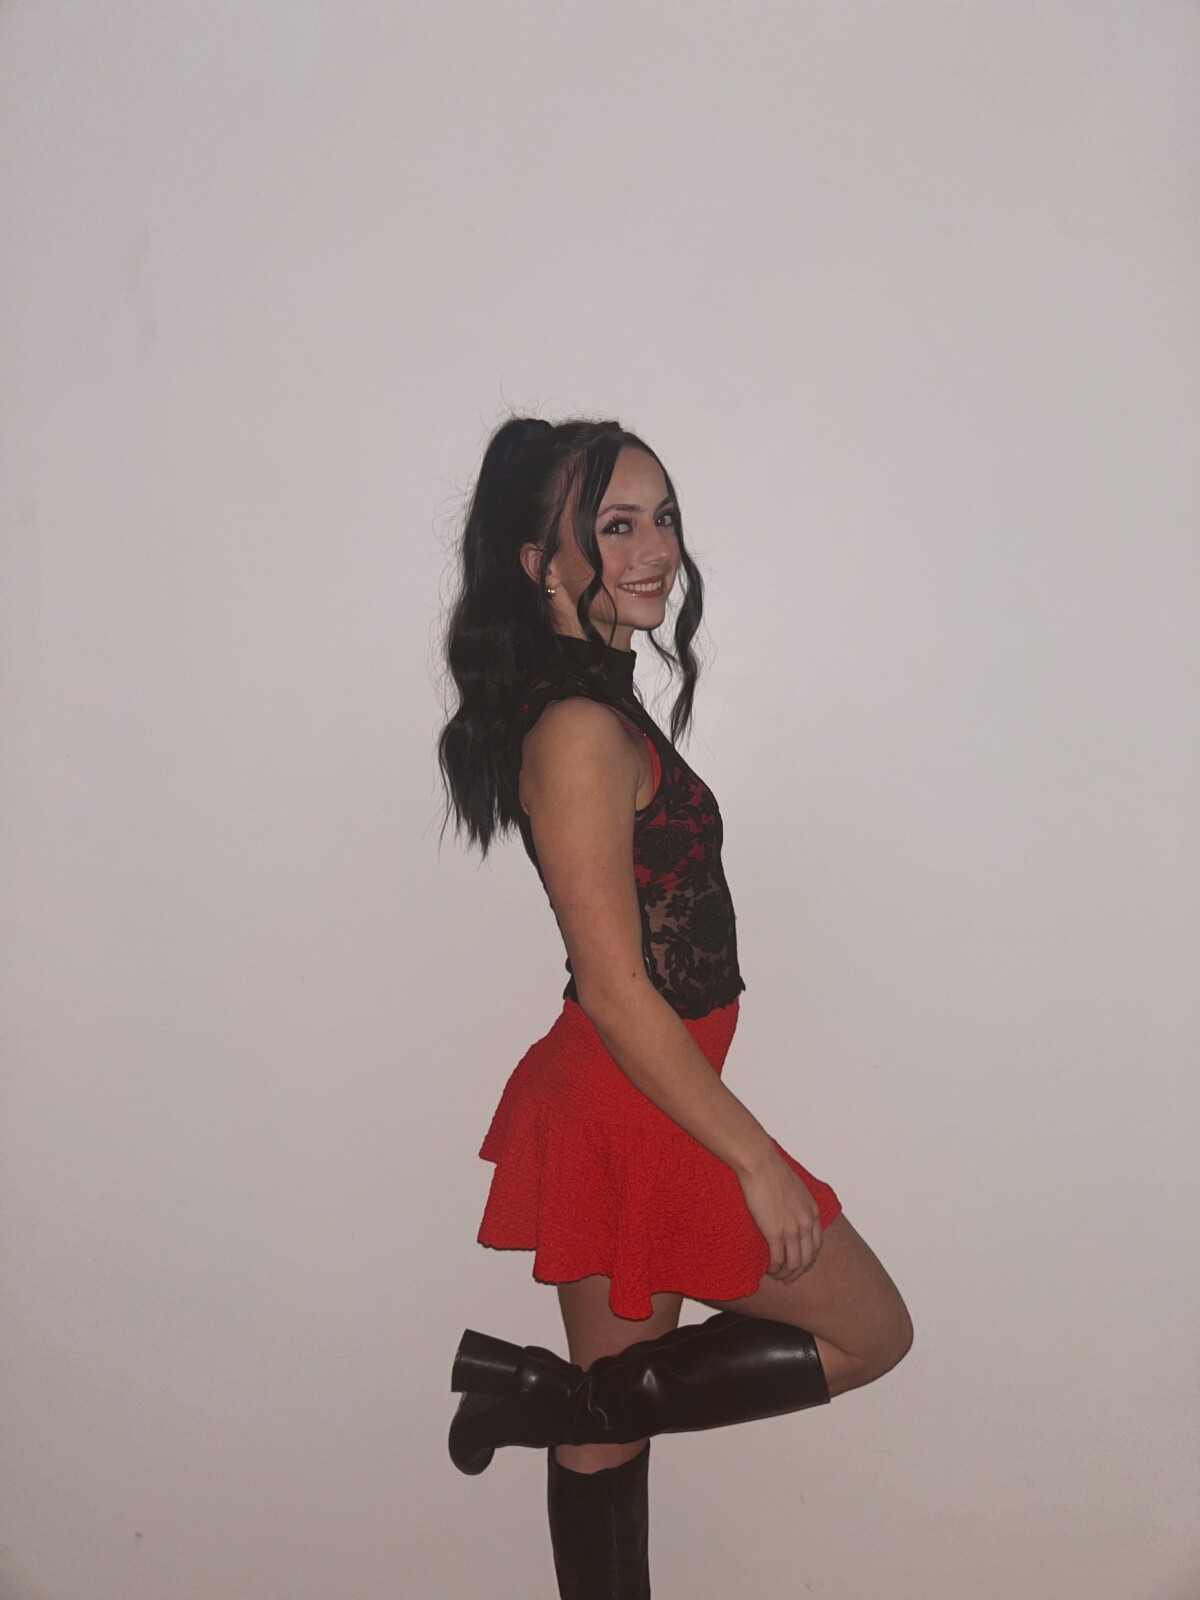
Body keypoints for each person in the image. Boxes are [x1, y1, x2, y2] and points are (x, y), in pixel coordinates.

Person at [435, 415, 913, 1598]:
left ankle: (543, 1400)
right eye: (615, 526)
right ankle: (543, 1397)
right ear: (542, 564)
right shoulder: (578, 730)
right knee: (871, 1330)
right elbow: (615, 987)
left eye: (663, 518)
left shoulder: (598, 702)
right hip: (628, 1105)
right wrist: (757, 1161)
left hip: (623, 1101)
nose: (655, 550)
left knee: (607, 1430)